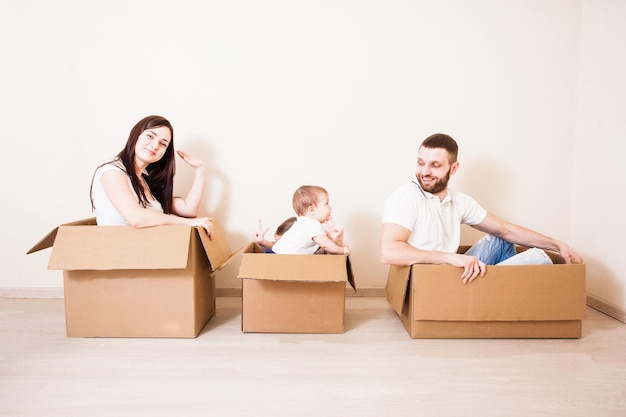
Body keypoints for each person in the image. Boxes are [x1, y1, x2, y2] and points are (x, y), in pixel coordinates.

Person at [380, 133, 582, 284]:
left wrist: (556, 244)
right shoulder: (406, 196)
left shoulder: (458, 201)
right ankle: (495, 289)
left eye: (435, 165)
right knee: (538, 258)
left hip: (454, 271)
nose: (425, 171)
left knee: (500, 240)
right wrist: (450, 258)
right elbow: (389, 252)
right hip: (431, 279)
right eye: (421, 163)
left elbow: (504, 229)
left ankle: (495, 293)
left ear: (454, 168)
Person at [90, 115, 214, 239]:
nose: (155, 145)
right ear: (136, 135)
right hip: (120, 252)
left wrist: (200, 170)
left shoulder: (144, 181)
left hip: (146, 252)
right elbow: (135, 217)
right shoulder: (112, 172)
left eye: (163, 144)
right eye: (150, 136)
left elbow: (189, 210)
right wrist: (188, 223)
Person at [269, 185, 351, 255]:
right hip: (277, 257)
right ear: (312, 210)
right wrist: (342, 250)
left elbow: (327, 242)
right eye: (326, 203)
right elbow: (326, 244)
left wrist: (336, 240)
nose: (330, 207)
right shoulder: (312, 225)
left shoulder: (304, 223)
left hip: (274, 254)